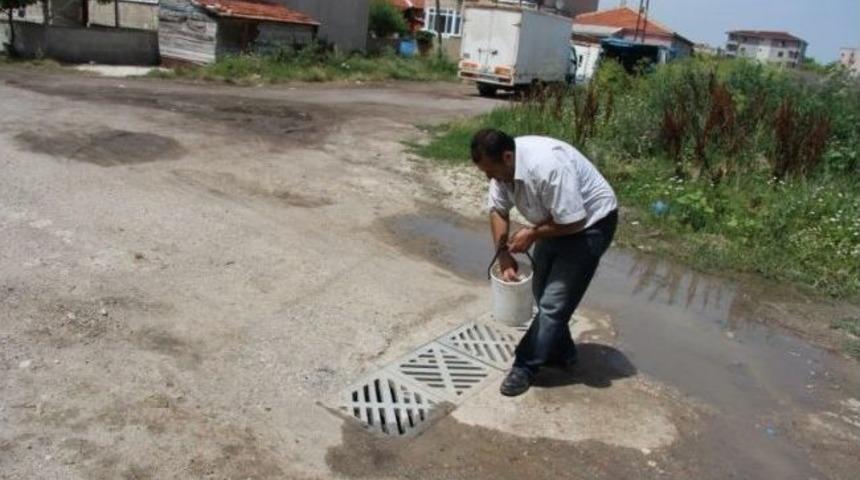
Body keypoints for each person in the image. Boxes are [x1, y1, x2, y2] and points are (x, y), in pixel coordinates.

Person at [471, 129, 618, 396]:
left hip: (591, 225)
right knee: (540, 292)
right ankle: (562, 352)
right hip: (554, 220)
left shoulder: (547, 166)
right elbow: (498, 210)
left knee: (553, 303)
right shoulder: (503, 170)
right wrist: (503, 253)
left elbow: (575, 221)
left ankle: (525, 366)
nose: (489, 178)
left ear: (507, 157)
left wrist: (533, 233)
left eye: (491, 172)